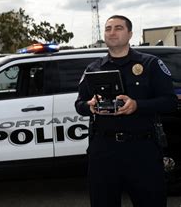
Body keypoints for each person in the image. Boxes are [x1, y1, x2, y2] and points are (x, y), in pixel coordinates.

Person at [75, 15, 177, 207]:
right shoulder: (93, 68)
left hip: (142, 150)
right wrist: (89, 106)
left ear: (130, 34)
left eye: (118, 28)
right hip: (103, 151)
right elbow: (79, 104)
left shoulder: (150, 64)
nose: (112, 32)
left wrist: (138, 105)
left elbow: (170, 102)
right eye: (108, 28)